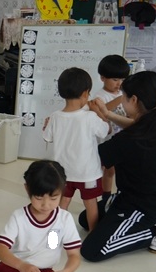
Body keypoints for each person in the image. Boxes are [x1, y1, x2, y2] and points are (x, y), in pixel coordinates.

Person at [79, 71, 156, 261]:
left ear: (134, 100)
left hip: (142, 206)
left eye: (124, 97)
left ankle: (155, 231)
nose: (121, 101)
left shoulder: (127, 140)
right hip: (135, 196)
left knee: (92, 250)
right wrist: (107, 114)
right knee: (85, 219)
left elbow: (93, 158)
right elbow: (135, 126)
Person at [42, 67, 110, 231]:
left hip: (62, 173)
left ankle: (55, 235)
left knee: (62, 202)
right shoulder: (90, 117)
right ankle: (93, 235)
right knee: (90, 204)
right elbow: (106, 131)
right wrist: (100, 113)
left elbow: (47, 137)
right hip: (87, 173)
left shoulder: (55, 116)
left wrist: (45, 126)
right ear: (86, 93)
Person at [90, 55, 133, 201]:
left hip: (122, 139)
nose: (119, 83)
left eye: (122, 80)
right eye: (115, 79)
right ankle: (105, 197)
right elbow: (101, 110)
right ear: (102, 78)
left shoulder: (123, 93)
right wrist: (120, 99)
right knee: (108, 170)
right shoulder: (100, 95)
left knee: (120, 170)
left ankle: (117, 195)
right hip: (107, 140)